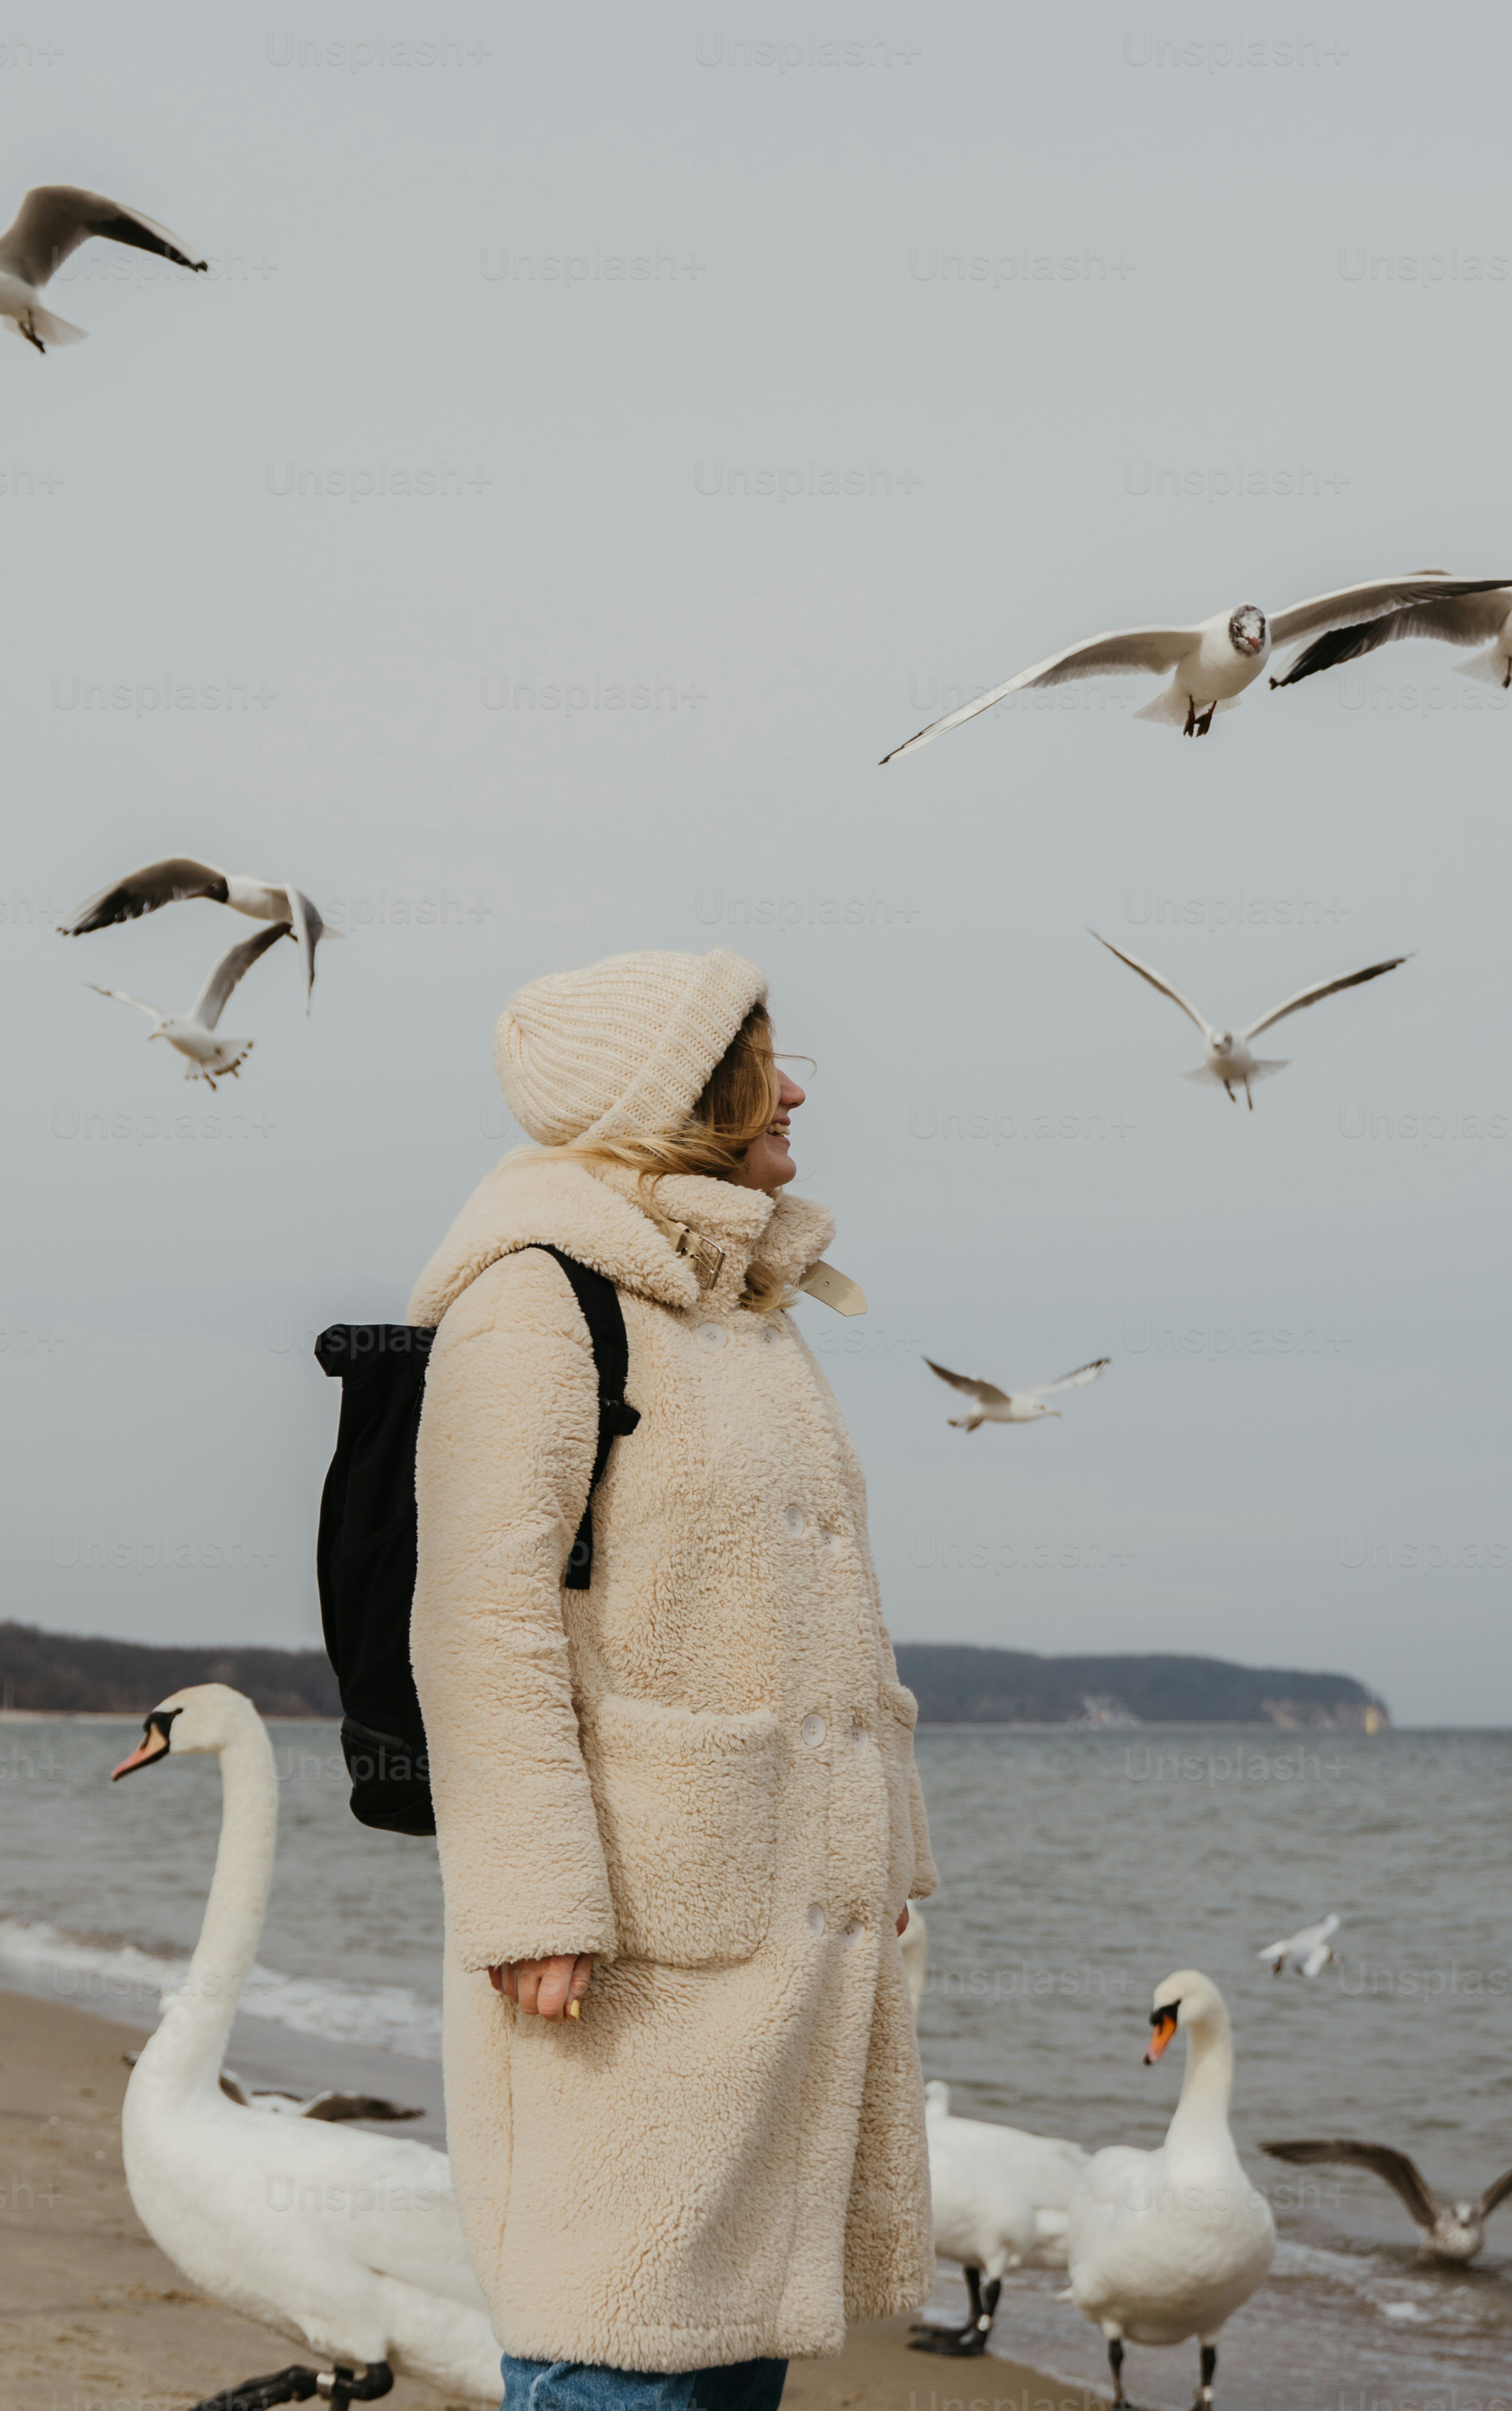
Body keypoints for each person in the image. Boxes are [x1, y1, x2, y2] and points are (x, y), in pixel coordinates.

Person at [409, 946, 937, 2411]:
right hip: (633, 1943)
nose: (800, 1091)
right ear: (680, 1103)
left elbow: (820, 1618)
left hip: (774, 1928)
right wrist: (527, 1901)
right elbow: (477, 1615)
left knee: (723, 2351)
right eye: (763, 1066)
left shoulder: (738, 1311)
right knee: (613, 2346)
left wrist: (884, 1846)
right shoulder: (534, 1299)